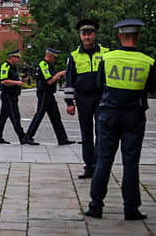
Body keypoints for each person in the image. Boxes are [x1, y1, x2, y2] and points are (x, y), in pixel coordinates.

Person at [85, 19, 156, 220]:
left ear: (119, 36)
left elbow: (99, 84)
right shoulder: (148, 61)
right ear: (138, 37)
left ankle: (96, 205)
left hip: (108, 115)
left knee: (103, 161)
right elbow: (151, 89)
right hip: (134, 116)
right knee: (131, 162)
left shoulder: (107, 58)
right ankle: (131, 208)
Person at [64, 18, 110, 179]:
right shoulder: (74, 55)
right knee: (86, 134)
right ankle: (89, 166)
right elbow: (69, 81)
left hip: (101, 98)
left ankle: (99, 165)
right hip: (83, 98)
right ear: (80, 36)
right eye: (84, 34)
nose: (87, 37)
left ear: (95, 34)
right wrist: (69, 102)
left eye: (90, 33)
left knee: (101, 132)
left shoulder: (106, 53)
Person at [22, 48, 75, 145]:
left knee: (56, 116)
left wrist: (59, 76)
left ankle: (62, 138)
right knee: (39, 115)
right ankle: (28, 136)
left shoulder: (49, 65)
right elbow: (49, 80)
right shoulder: (43, 64)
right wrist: (59, 74)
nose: (55, 60)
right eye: (54, 58)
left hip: (49, 94)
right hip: (44, 94)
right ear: (49, 56)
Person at [0, 49, 27, 144]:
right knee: (15, 116)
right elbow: (4, 81)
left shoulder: (13, 67)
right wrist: (17, 82)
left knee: (3, 117)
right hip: (8, 95)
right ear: (12, 57)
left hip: (12, 95)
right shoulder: (6, 66)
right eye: (17, 57)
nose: (18, 60)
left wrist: (21, 79)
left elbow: (12, 78)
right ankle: (22, 137)